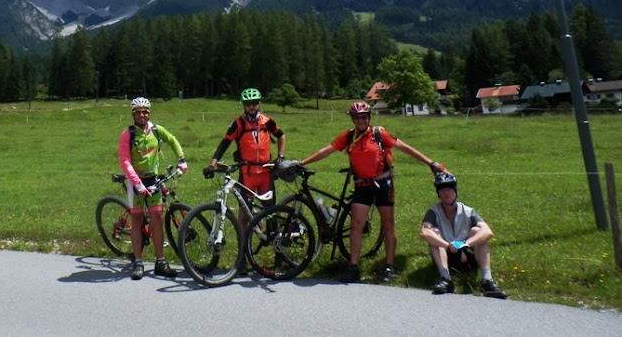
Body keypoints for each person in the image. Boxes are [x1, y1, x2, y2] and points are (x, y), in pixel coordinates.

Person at [296, 100, 445, 284]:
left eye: (364, 116)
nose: (361, 120)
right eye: (357, 117)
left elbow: (404, 148)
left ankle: (389, 266)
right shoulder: (348, 137)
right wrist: (303, 162)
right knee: (357, 224)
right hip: (362, 186)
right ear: (352, 118)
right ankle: (353, 266)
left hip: (383, 184)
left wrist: (430, 162)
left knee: (388, 224)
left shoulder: (378, 134)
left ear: (369, 117)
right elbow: (327, 151)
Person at [118, 96, 188, 280]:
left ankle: (160, 262)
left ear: (149, 113)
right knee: (137, 219)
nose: (142, 115)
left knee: (156, 218)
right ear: (133, 114)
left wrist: (181, 159)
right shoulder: (128, 134)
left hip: (154, 180)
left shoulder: (156, 130)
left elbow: (173, 140)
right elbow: (125, 160)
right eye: (138, 112)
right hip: (136, 182)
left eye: (145, 111)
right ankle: (138, 262)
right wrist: (137, 183)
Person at [205, 88, 286, 230]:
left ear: (259, 103)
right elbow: (224, 144)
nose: (251, 107)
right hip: (247, 174)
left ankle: (276, 245)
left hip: (266, 172)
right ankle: (243, 247)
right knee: (244, 213)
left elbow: (281, 135)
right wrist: (212, 164)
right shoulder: (238, 124)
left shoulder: (267, 121)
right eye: (248, 104)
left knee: (270, 212)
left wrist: (280, 156)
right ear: (244, 105)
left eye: (254, 103)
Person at [420, 172, 508, 298]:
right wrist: (447, 245)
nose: (446, 193)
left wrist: (466, 244)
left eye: (449, 189)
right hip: (445, 255)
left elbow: (487, 231)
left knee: (478, 232)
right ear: (438, 194)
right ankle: (446, 279)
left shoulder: (467, 211)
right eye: (442, 190)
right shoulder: (433, 212)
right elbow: (425, 232)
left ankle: (487, 281)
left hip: (466, 255)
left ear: (455, 191)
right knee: (434, 234)